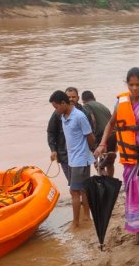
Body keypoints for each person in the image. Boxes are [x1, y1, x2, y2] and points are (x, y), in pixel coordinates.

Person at [94, 68, 139, 245]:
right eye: (131, 84)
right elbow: (111, 124)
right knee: (134, 194)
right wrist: (102, 144)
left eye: (138, 84)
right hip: (130, 160)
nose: (134, 88)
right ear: (127, 84)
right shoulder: (120, 103)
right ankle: (138, 231)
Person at [50, 90, 95, 227]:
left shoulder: (79, 116)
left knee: (74, 191)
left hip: (80, 160)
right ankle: (86, 217)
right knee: (82, 189)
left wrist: (89, 152)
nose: (56, 110)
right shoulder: (63, 116)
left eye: (56, 107)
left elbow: (90, 137)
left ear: (64, 103)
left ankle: (75, 223)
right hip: (72, 158)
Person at [82, 90, 117, 177]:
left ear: (83, 101)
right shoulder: (103, 107)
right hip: (113, 134)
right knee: (110, 163)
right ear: (94, 98)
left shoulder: (86, 106)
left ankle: (105, 184)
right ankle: (111, 183)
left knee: (98, 164)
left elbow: (92, 119)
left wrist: (92, 136)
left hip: (101, 136)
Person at [47, 100, 71, 185]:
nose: (71, 99)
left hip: (79, 155)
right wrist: (53, 150)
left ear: (78, 98)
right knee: (72, 184)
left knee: (81, 184)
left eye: (73, 97)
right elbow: (51, 132)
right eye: (69, 97)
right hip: (64, 154)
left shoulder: (80, 112)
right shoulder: (57, 113)